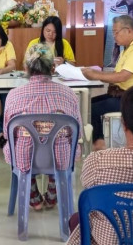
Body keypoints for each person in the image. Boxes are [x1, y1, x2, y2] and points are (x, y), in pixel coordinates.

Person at [3, 44, 82, 210]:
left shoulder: (13, 95)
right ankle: (53, 193)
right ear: (53, 68)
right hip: (60, 157)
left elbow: (6, 133)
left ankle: (34, 197)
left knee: (20, 145)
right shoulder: (68, 93)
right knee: (62, 144)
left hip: (24, 157)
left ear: (26, 67)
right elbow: (77, 131)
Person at [67, 86, 133, 245]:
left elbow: (90, 192)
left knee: (77, 219)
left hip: (108, 240)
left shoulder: (97, 162)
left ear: (122, 123)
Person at [82, 15, 133, 151]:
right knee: (88, 104)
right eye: (113, 33)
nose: (114, 36)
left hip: (128, 98)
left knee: (90, 110)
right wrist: (96, 75)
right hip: (118, 94)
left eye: (116, 32)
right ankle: (98, 140)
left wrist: (95, 75)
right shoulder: (126, 49)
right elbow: (116, 75)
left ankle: (99, 144)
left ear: (128, 30)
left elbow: (122, 76)